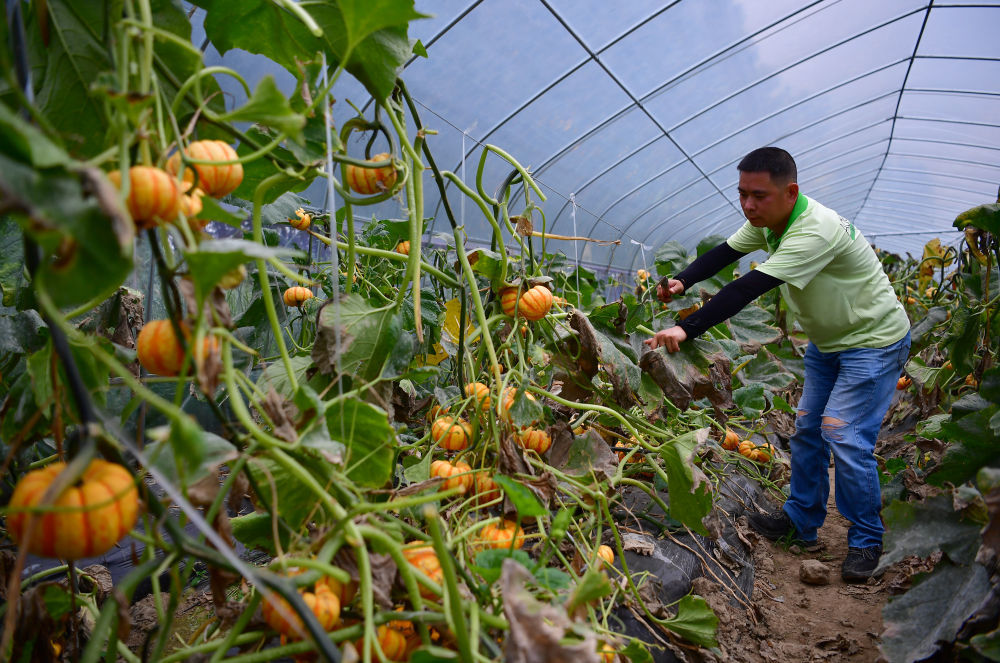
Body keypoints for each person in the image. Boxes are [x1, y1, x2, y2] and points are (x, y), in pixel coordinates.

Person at [643, 146, 911, 582]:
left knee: (842, 431)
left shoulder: (813, 231)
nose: (748, 205)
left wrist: (687, 328)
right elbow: (726, 253)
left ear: (791, 192)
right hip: (829, 344)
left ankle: (866, 539)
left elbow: (748, 286)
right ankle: (802, 522)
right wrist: (683, 279)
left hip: (873, 343)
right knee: (807, 425)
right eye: (743, 193)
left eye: (759, 195)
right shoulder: (770, 220)